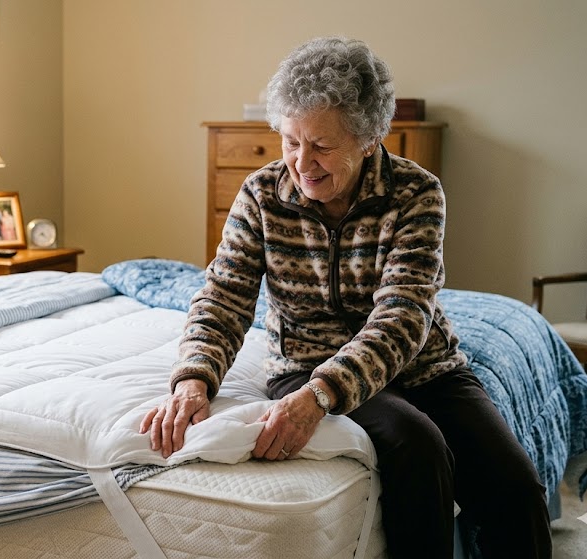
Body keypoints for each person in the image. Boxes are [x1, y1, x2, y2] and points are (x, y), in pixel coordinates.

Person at [139, 37, 551, 558]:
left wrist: (320, 398)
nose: (301, 162)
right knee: (417, 446)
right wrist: (194, 378)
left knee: (516, 488)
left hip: (422, 364)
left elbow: (402, 315)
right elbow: (224, 296)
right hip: (307, 362)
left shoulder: (415, 193)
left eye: (322, 146)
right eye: (290, 142)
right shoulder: (261, 195)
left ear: (369, 139)